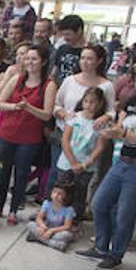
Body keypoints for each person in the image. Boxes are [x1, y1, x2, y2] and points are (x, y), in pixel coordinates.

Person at [77, 53, 136, 270]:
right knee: (99, 203)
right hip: (123, 161)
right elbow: (120, 126)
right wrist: (110, 131)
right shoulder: (134, 99)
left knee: (124, 212)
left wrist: (124, 134)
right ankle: (101, 246)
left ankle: (116, 254)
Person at [0, 43, 55, 225]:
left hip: (28, 138)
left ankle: (13, 210)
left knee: (21, 174)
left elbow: (47, 114)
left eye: (34, 59)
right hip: (7, 133)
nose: (29, 62)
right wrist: (15, 107)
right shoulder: (17, 79)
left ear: (43, 62)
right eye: (27, 58)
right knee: (3, 172)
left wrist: (28, 107)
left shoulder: (48, 85)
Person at [55, 86, 107, 217]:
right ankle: (59, 218)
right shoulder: (74, 118)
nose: (88, 105)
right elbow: (65, 140)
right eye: (86, 101)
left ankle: (75, 220)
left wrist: (85, 164)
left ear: (100, 103)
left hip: (86, 166)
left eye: (92, 102)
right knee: (62, 192)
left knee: (80, 194)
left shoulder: (100, 124)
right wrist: (73, 162)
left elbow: (100, 147)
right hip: (67, 163)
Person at [26, 184, 77, 251]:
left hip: (58, 231)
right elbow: (39, 218)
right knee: (30, 224)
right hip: (46, 227)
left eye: (60, 194)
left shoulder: (69, 209)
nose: (55, 195)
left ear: (66, 196)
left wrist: (51, 231)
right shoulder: (47, 203)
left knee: (66, 235)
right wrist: (42, 226)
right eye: (54, 192)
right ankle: (54, 244)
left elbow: (67, 226)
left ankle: (37, 238)